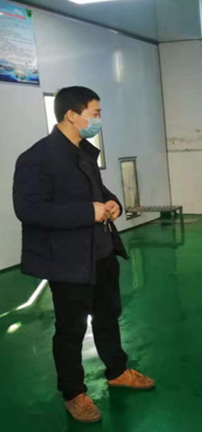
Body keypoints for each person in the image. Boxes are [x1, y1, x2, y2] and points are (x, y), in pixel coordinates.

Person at [13, 87, 154, 424]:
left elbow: (96, 191)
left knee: (108, 316)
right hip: (68, 260)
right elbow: (29, 210)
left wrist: (111, 202)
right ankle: (73, 392)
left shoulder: (84, 153)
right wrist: (87, 212)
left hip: (101, 253)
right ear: (72, 115)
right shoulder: (37, 158)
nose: (99, 119)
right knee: (71, 328)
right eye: (95, 113)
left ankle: (117, 370)